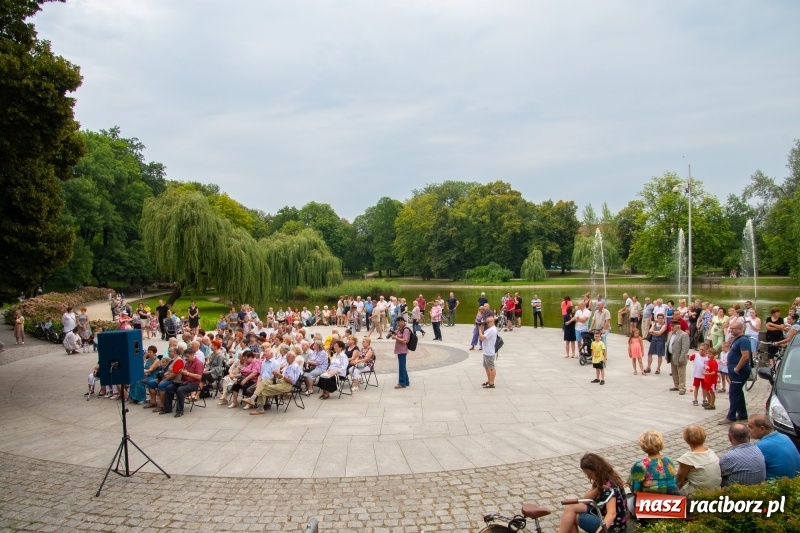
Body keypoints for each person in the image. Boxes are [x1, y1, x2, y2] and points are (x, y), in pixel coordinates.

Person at [558, 453, 627, 533]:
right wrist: (598, 488)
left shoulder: (610, 487)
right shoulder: (601, 479)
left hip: (614, 527)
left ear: (597, 471)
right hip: (600, 512)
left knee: (573, 517)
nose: (588, 477)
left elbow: (612, 514)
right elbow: (586, 499)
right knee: (570, 507)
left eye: (590, 474)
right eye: (587, 475)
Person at [748, 414, 800, 479]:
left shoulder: (760, 446)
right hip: (795, 480)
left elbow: (750, 469)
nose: (748, 430)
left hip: (777, 485)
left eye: (751, 427)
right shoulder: (785, 437)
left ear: (762, 429)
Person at [720, 320, 751, 425]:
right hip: (735, 371)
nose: (731, 330)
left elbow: (745, 356)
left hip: (739, 372)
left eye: (733, 328)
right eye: (730, 328)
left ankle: (731, 416)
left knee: (733, 393)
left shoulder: (743, 340)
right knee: (738, 393)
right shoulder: (736, 339)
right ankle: (742, 415)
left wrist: (737, 368)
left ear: (740, 329)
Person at [628, 430, 679, 494]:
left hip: (649, 501)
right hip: (671, 499)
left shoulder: (640, 465)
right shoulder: (669, 461)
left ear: (643, 446)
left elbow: (635, 490)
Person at [161, 349, 204, 418]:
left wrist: (187, 373)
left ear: (193, 355)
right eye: (185, 357)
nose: (186, 358)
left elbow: (199, 376)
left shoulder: (198, 363)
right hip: (184, 381)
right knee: (169, 388)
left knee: (180, 390)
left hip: (193, 383)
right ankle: (168, 409)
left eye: (188, 357)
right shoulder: (187, 363)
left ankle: (180, 410)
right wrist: (182, 371)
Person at [666, 318, 690, 395]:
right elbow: (668, 344)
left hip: (679, 356)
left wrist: (682, 357)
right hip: (672, 355)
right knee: (674, 372)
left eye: (673, 326)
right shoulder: (670, 333)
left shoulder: (683, 335)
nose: (671, 328)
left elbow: (685, 348)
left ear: (678, 327)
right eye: (670, 326)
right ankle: (676, 385)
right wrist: (667, 354)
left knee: (681, 373)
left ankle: (682, 387)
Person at [391, 316, 411, 389]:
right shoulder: (400, 328)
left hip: (402, 350)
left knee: (401, 367)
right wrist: (393, 333)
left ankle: (402, 383)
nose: (397, 324)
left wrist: (396, 337)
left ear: (402, 321)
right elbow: (396, 332)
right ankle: (406, 381)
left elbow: (405, 340)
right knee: (403, 366)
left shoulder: (406, 330)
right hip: (399, 350)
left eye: (398, 323)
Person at [479, 315, 498, 389]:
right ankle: (489, 380)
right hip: (486, 351)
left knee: (491, 367)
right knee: (486, 367)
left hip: (489, 352)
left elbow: (483, 338)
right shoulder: (490, 329)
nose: (486, 323)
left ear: (492, 322)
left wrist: (479, 330)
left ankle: (492, 383)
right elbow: (483, 336)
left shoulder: (492, 329)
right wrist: (482, 328)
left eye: (487, 322)